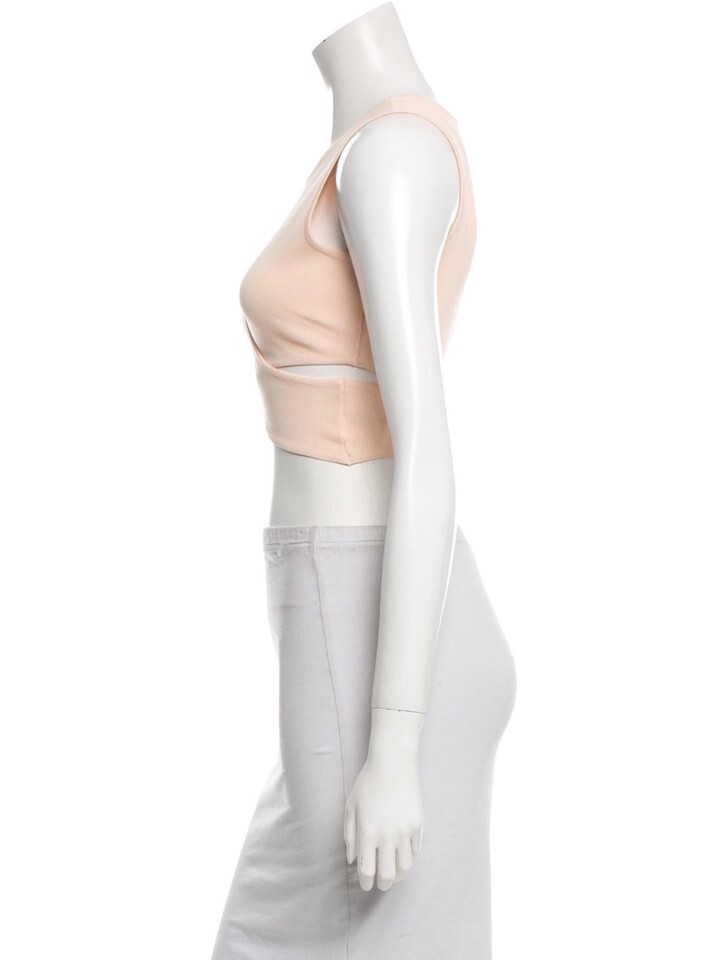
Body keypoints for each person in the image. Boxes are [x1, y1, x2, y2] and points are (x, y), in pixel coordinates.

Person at [211, 4, 517, 957]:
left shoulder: (391, 153)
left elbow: (427, 448)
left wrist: (392, 746)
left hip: (371, 634)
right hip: (346, 615)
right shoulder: (369, 142)